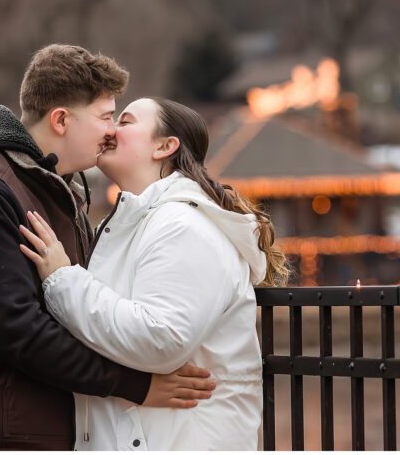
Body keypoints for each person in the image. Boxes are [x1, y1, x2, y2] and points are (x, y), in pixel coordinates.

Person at [0, 47, 216, 450]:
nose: (112, 131)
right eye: (105, 117)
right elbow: (17, 331)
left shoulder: (54, 193)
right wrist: (136, 386)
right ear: (62, 120)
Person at [19, 97, 291, 450]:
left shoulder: (182, 226)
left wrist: (63, 279)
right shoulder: (137, 225)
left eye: (126, 121)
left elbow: (162, 337)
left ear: (165, 146)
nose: (111, 129)